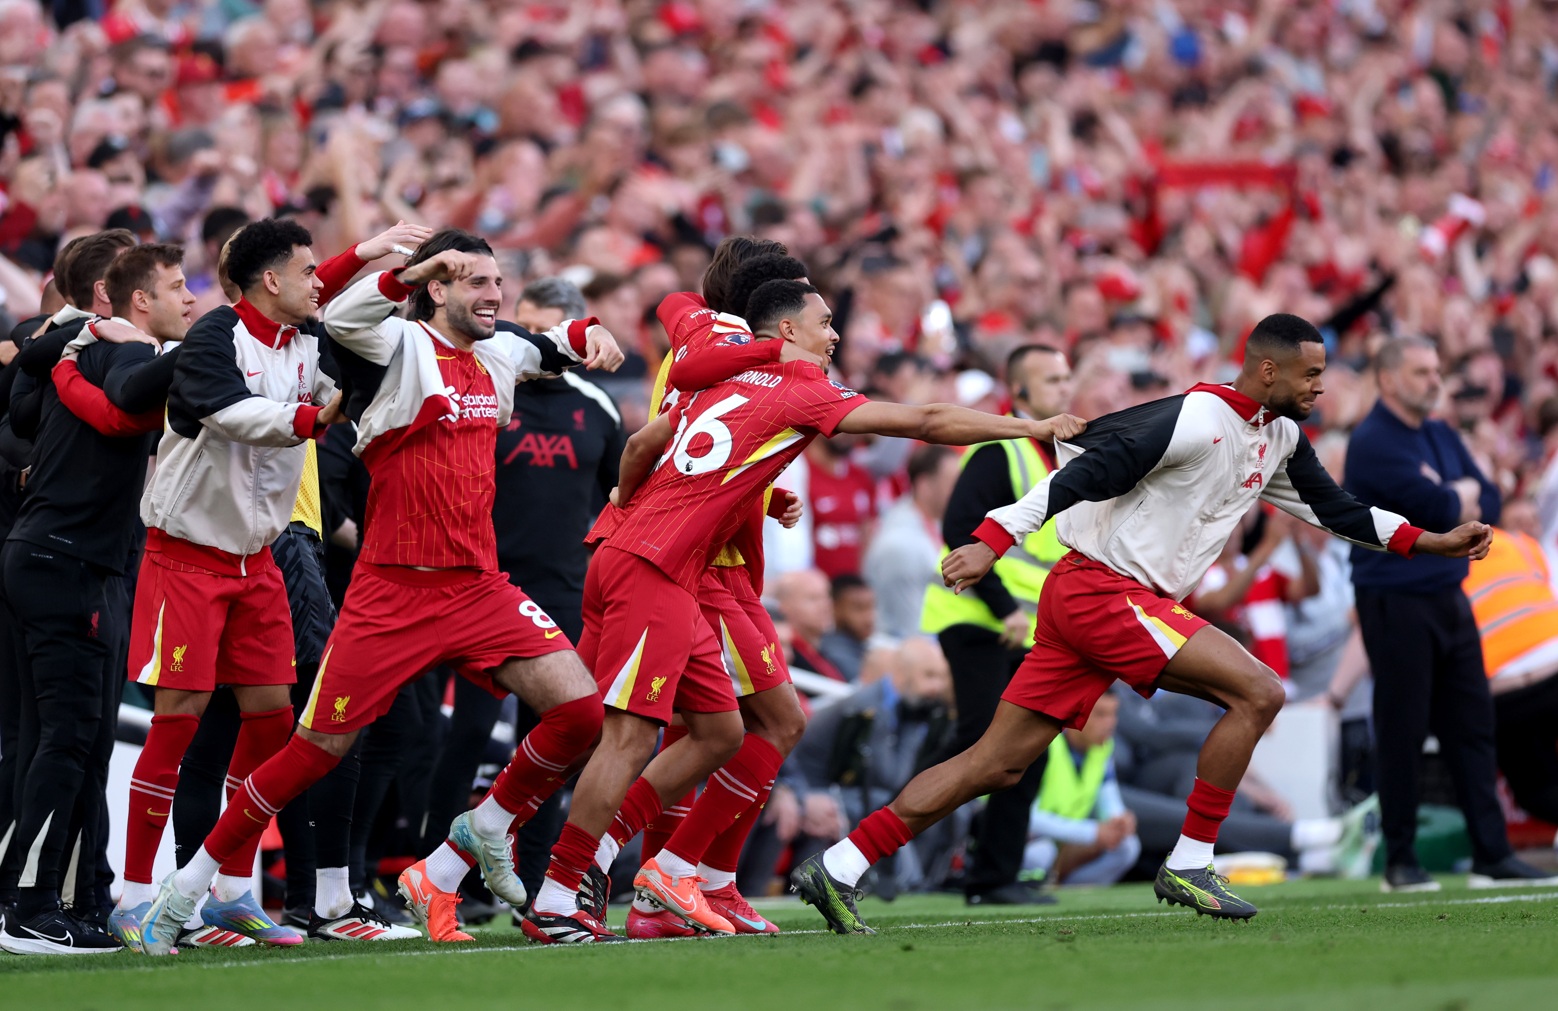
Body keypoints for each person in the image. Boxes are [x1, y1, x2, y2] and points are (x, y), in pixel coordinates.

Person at [791, 313, 1491, 934]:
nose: (1320, 389)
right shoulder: (1194, 417)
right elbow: (1086, 472)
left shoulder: (1277, 436)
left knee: (993, 763)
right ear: (1267, 368)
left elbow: (1338, 510)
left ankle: (842, 863)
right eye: (1310, 375)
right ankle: (1191, 860)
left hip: (1093, 599)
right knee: (1260, 691)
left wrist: (1430, 540)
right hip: (1104, 592)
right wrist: (994, 538)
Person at [522, 278, 1086, 943]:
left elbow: (647, 438)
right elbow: (927, 422)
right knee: (625, 735)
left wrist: (637, 504)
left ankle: (668, 871)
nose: (836, 334)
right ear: (786, 331)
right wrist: (1028, 425)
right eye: (824, 322)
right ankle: (561, 890)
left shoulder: (717, 373)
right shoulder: (795, 386)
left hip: (658, 559)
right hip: (655, 564)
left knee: (726, 730)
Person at [136, 229, 624, 956]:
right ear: (437, 288)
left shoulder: (502, 351)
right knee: (313, 750)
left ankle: (477, 836)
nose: (491, 295)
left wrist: (590, 330)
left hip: (477, 586)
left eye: (498, 283)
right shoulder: (394, 346)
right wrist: (407, 269)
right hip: (391, 594)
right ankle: (184, 889)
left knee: (583, 711)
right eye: (474, 283)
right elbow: (343, 319)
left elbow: (548, 342)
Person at [110, 218, 349, 951]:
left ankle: (232, 892)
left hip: (259, 558)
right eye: (308, 270)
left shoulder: (309, 343)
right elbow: (233, 415)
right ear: (270, 280)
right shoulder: (214, 338)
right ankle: (135, 894)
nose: (320, 282)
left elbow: (361, 328)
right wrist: (310, 418)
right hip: (186, 553)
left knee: (273, 720)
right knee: (178, 720)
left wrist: (375, 260)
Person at [0, 244, 190, 954]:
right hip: (69, 563)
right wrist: (83, 348)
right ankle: (28, 906)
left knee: (63, 738)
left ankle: (63, 899)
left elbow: (21, 411)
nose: (190, 298)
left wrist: (58, 352)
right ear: (125, 297)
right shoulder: (118, 353)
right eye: (176, 287)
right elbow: (129, 408)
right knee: (67, 737)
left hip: (60, 559)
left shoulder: (72, 350)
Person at [418, 274, 625, 911]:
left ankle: (534, 881)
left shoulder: (598, 407)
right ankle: (444, 875)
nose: (521, 337)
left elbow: (622, 496)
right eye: (518, 324)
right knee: (467, 736)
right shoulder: (484, 383)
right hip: (484, 589)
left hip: (563, 594)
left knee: (560, 741)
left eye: (539, 326)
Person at [1345, 337, 1557, 892]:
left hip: (1448, 593)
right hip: (1394, 599)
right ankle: (1400, 859)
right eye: (1420, 371)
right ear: (1388, 379)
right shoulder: (1372, 441)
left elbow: (1482, 496)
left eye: (1436, 369)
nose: (1434, 380)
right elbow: (1436, 507)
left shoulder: (1439, 434)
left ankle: (1493, 852)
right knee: (1403, 730)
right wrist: (1451, 493)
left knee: (1473, 727)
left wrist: (1453, 492)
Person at [917, 343, 1075, 907]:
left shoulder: (1060, 457)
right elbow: (960, 528)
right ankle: (872, 842)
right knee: (979, 739)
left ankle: (994, 877)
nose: (1063, 388)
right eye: (1050, 380)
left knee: (1024, 749)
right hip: (976, 616)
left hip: (1027, 626)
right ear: (1021, 394)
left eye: (1066, 378)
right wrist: (1004, 606)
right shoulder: (1000, 450)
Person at [790, 638, 957, 897]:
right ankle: (907, 882)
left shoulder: (913, 706)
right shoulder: (869, 706)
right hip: (815, 788)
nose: (937, 687)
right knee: (890, 802)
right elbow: (889, 776)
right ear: (902, 674)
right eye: (929, 676)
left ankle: (926, 880)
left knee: (943, 802)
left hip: (848, 789)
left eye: (941, 677)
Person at [1462, 510, 1558, 829]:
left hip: (1504, 693)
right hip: (1550, 669)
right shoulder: (1524, 546)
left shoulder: (1440, 564)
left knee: (1536, 791)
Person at [1022, 692, 1141, 888]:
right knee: (1041, 853)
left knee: (1127, 845)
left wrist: (1120, 822)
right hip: (1021, 840)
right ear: (1076, 715)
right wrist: (1093, 832)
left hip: (1062, 842)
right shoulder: (1044, 745)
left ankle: (1070, 892)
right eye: (1101, 715)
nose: (1110, 723)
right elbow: (1027, 819)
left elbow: (1109, 800)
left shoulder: (1102, 748)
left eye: (1113, 714)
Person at [864, 444, 959, 642]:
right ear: (924, 485)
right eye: (953, 483)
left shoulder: (937, 524)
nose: (962, 491)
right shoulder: (901, 544)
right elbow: (910, 627)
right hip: (906, 657)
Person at [819, 574, 875, 683]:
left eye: (871, 607)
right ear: (834, 608)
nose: (869, 618)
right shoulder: (833, 651)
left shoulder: (860, 645)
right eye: (859, 608)